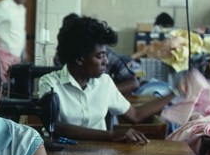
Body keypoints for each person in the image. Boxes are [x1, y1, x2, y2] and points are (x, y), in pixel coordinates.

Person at [39, 16, 176, 144]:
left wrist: (174, 93)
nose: (106, 61)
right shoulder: (50, 83)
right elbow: (55, 126)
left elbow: (135, 115)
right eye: (100, 56)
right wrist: (109, 135)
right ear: (80, 58)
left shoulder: (105, 82)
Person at [54, 13, 140, 94]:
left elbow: (133, 83)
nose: (105, 61)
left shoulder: (105, 55)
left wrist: (104, 94)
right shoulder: (59, 60)